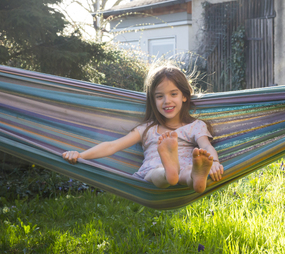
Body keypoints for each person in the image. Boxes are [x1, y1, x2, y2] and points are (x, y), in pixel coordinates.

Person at [62, 65, 224, 193]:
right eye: (160, 96)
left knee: (188, 170)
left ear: (184, 96)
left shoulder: (195, 126)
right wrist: (81, 155)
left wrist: (214, 162)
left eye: (173, 94)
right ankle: (171, 172)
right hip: (155, 170)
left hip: (185, 167)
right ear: (153, 100)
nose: (167, 101)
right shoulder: (147, 129)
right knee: (157, 173)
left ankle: (196, 179)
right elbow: (113, 145)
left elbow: (206, 146)